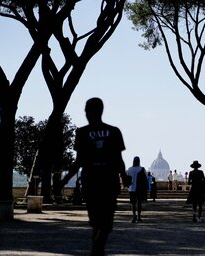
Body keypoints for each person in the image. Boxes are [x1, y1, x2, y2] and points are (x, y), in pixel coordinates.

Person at [59, 97, 128, 256]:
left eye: (87, 110)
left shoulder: (82, 133)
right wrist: (123, 176)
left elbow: (79, 161)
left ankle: (96, 249)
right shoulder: (114, 131)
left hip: (91, 182)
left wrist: (64, 179)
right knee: (104, 224)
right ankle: (97, 249)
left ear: (95, 111)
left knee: (97, 222)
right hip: (108, 181)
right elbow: (118, 159)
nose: (86, 113)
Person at [126, 156, 148, 223]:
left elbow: (127, 179)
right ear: (139, 161)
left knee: (133, 204)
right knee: (139, 203)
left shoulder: (129, 169)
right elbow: (146, 178)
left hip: (132, 189)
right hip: (139, 189)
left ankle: (134, 216)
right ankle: (139, 216)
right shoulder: (142, 169)